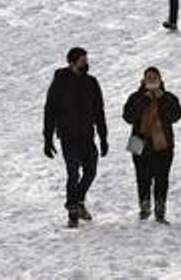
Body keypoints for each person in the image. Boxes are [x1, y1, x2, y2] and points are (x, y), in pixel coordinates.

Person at [43, 47, 109, 228]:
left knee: (91, 171)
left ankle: (76, 202)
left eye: (86, 60)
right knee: (73, 172)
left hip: (87, 136)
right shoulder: (60, 82)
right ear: (72, 62)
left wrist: (103, 137)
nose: (85, 63)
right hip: (68, 136)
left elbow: (99, 112)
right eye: (82, 60)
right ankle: (73, 212)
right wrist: (47, 139)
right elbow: (50, 111)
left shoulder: (91, 82)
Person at [121, 67, 181, 223]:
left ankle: (160, 210)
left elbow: (176, 115)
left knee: (162, 178)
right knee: (142, 178)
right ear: (143, 80)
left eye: (154, 77)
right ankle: (144, 207)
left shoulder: (168, 97)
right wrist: (145, 100)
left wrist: (161, 98)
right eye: (148, 77)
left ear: (160, 79)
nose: (151, 80)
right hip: (138, 142)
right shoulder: (136, 97)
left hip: (163, 145)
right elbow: (128, 117)